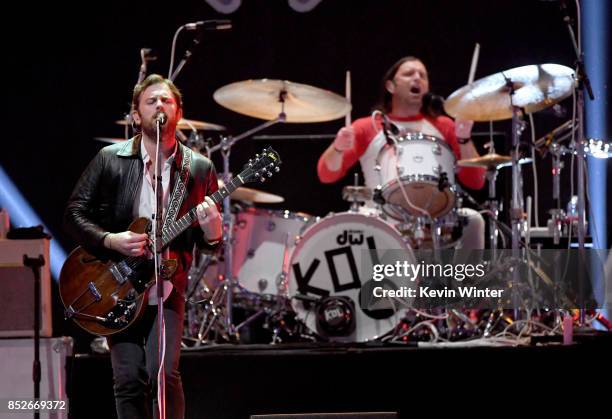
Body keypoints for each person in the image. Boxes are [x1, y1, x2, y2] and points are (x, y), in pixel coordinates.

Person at [64, 74, 222, 419]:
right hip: (117, 286)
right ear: (136, 115)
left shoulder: (198, 168)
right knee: (128, 378)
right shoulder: (110, 159)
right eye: (151, 102)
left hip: (167, 289)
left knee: (164, 375)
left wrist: (213, 232)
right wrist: (111, 239)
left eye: (166, 101)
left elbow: (208, 246)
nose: (159, 107)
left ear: (179, 112)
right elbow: (74, 213)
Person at [317, 56, 486, 248]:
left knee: (474, 220)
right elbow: (326, 174)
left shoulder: (445, 125)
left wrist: (464, 138)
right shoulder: (367, 127)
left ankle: (465, 279)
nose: (417, 78)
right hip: (379, 215)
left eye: (422, 75)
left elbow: (476, 181)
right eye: (409, 74)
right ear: (390, 86)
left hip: (436, 217)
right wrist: (338, 147)